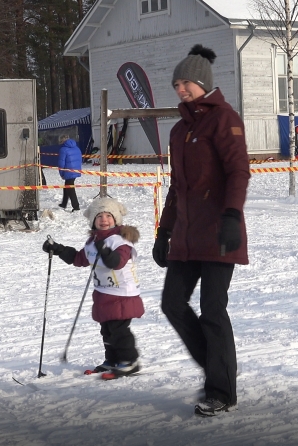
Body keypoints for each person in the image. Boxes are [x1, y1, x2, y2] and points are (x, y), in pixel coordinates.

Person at [152, 44, 250, 417]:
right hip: (187, 236)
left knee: (212, 309)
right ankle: (216, 367)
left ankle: (221, 391)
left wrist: (231, 215)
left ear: (202, 83)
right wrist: (164, 231)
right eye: (176, 84)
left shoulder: (224, 119)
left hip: (219, 231)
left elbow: (239, 171)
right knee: (172, 303)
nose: (180, 90)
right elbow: (177, 186)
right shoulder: (179, 131)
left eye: (185, 83)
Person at [42, 197, 144, 378]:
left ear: (116, 219)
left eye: (108, 216)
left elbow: (118, 262)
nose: (104, 220)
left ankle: (129, 361)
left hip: (122, 294)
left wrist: (105, 251)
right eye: (99, 216)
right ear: (93, 221)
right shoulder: (92, 242)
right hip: (104, 293)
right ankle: (112, 360)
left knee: (118, 330)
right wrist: (58, 249)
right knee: (107, 330)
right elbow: (79, 259)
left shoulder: (120, 241)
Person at [57, 134, 82, 211]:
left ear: (62, 141)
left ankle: (76, 206)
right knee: (67, 186)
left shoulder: (63, 149)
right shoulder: (76, 147)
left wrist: (61, 173)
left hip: (68, 170)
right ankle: (64, 203)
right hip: (76, 169)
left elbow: (61, 163)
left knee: (70, 188)